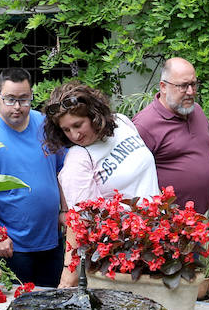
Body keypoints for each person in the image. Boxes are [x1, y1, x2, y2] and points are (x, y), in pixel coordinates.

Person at [43, 81, 161, 287]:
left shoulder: (123, 123)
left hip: (157, 239)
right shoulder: (78, 158)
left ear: (93, 114)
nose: (74, 135)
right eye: (66, 130)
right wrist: (68, 274)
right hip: (122, 257)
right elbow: (81, 219)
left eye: (78, 125)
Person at [0, 68, 67, 287]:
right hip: (11, 247)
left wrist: (65, 210)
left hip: (51, 240)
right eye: (10, 99)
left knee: (53, 304)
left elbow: (61, 171)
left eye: (24, 99)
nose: (18, 107)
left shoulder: (45, 125)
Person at [131, 57, 209, 214]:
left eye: (193, 84)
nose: (191, 92)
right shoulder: (145, 125)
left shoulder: (197, 111)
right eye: (183, 86)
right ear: (163, 87)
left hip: (197, 223)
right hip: (166, 228)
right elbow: (132, 178)